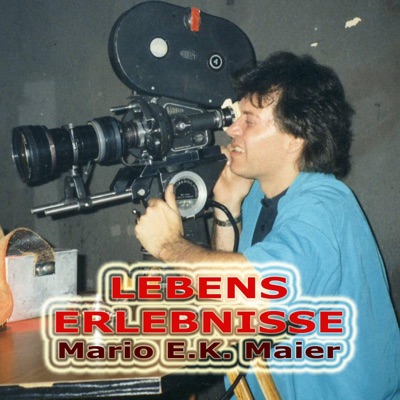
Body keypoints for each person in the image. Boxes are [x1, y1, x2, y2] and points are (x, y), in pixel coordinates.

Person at [134, 52, 400, 399]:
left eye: (249, 120)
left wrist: (169, 245)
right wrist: (227, 205)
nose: (231, 129)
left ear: (295, 137)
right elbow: (226, 302)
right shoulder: (260, 193)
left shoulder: (323, 208)